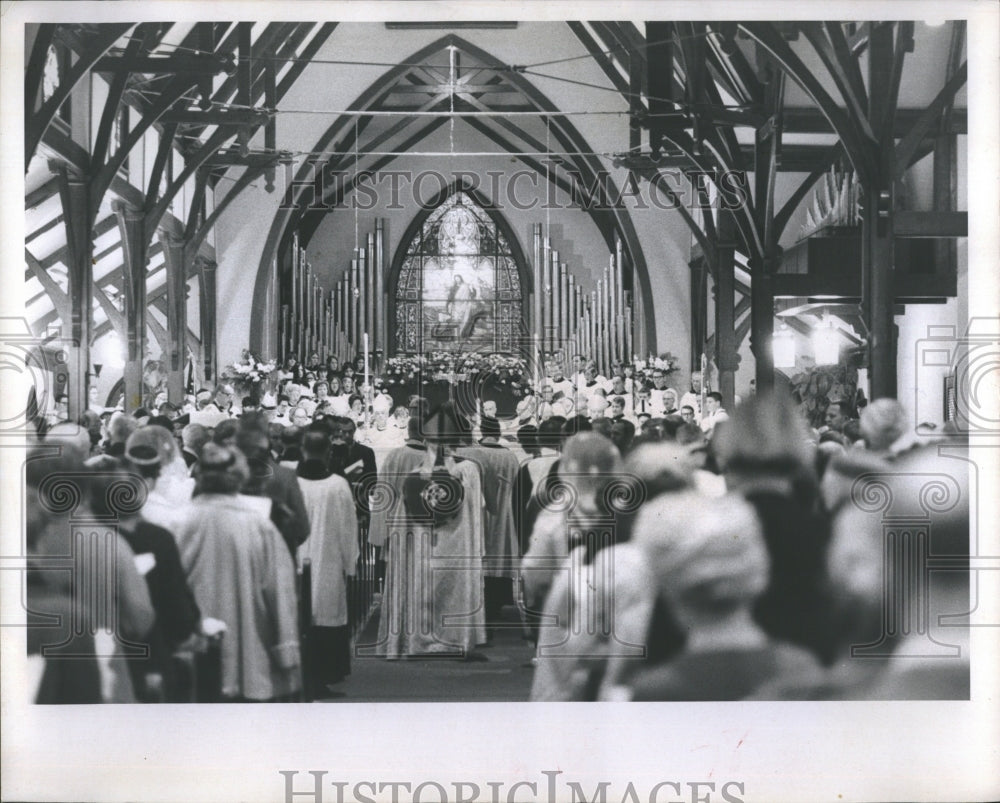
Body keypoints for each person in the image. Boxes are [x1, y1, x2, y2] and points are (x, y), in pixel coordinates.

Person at [176, 443, 300, 701]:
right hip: (252, 652)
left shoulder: (179, 522)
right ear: (239, 478)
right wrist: (287, 654)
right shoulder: (258, 525)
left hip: (194, 654)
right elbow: (279, 592)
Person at [374, 403, 486, 658]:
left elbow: (404, 518)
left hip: (423, 546)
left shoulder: (416, 475)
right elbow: (476, 509)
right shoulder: (468, 471)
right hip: (457, 542)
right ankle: (455, 639)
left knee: (421, 584)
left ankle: (417, 641)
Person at [295, 430, 359, 696]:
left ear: (302, 450)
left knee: (302, 616)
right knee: (325, 613)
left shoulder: (292, 483)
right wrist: (350, 562)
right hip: (328, 559)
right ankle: (322, 675)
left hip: (297, 558)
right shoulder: (337, 485)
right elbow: (348, 527)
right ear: (328, 453)